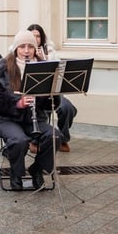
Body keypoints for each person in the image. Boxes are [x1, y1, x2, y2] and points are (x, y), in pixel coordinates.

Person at [0, 29, 63, 191]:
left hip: (34, 118)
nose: (26, 51)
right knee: (19, 140)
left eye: (30, 47)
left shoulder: (42, 67)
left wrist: (50, 94)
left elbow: (51, 103)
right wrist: (18, 103)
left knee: (55, 136)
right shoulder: (2, 67)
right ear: (16, 48)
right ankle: (16, 174)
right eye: (22, 47)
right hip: (7, 119)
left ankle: (37, 169)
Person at [28, 23, 76, 152]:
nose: (36, 39)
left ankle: (63, 138)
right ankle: (34, 140)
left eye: (38, 36)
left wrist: (45, 61)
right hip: (33, 94)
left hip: (52, 92)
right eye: (33, 36)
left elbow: (59, 75)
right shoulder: (22, 52)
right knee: (35, 108)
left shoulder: (51, 53)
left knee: (68, 108)